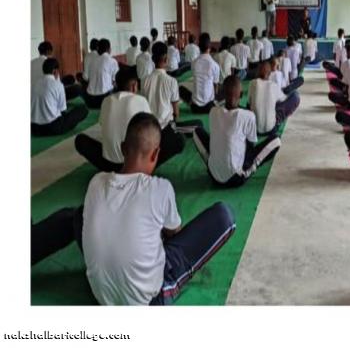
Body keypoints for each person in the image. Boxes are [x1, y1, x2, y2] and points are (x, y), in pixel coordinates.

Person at [79, 112, 236, 305]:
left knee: (83, 216)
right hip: (151, 300)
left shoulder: (95, 183)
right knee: (224, 216)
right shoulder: (160, 187)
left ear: (122, 148)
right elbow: (174, 234)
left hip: (103, 297)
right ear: (155, 154)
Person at [193, 75, 282, 188]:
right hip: (236, 178)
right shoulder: (248, 116)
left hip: (214, 176)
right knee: (276, 141)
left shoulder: (213, 112)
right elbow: (250, 146)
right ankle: (247, 171)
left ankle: (214, 164)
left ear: (222, 94)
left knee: (197, 131)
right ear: (241, 94)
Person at [75, 68, 156, 172]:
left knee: (80, 140)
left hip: (109, 164)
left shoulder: (106, 101)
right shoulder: (141, 100)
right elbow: (151, 129)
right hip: (134, 166)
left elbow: (103, 125)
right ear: (134, 85)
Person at [141, 42, 194, 161]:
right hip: (166, 127)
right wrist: (175, 124)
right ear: (166, 59)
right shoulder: (171, 81)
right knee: (185, 136)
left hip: (149, 127)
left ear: (153, 59)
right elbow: (176, 111)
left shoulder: (145, 81)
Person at [31, 57, 89, 136]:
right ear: (55, 71)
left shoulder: (35, 84)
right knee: (83, 110)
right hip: (52, 128)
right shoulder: (58, 85)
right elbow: (62, 110)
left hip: (34, 128)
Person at [248, 60, 300, 135]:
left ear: (258, 72)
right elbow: (283, 99)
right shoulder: (273, 85)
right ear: (270, 73)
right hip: (271, 128)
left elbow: (249, 103)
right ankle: (278, 120)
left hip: (255, 130)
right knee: (295, 95)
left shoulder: (252, 83)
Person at [179, 36, 220, 114]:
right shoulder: (215, 65)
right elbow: (216, 88)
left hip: (195, 108)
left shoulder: (194, 63)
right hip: (209, 108)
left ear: (199, 47)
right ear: (210, 47)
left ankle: (193, 102)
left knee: (180, 89)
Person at [84, 38, 119, 109]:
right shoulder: (112, 61)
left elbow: (86, 77)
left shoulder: (92, 61)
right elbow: (115, 80)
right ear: (109, 49)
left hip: (90, 97)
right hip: (103, 97)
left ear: (98, 49)